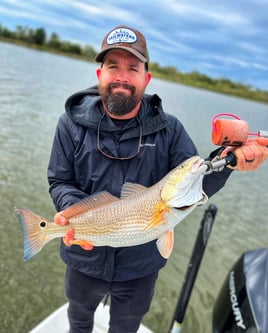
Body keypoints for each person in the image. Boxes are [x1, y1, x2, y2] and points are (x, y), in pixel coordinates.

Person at [47, 25, 268, 333]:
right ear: (100, 75)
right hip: (84, 254)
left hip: (140, 267)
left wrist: (228, 162)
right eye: (113, 66)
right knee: (79, 319)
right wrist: (74, 210)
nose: (122, 76)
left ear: (146, 79)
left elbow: (199, 180)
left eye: (133, 68)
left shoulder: (170, 130)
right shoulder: (70, 125)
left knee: (126, 327)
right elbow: (60, 181)